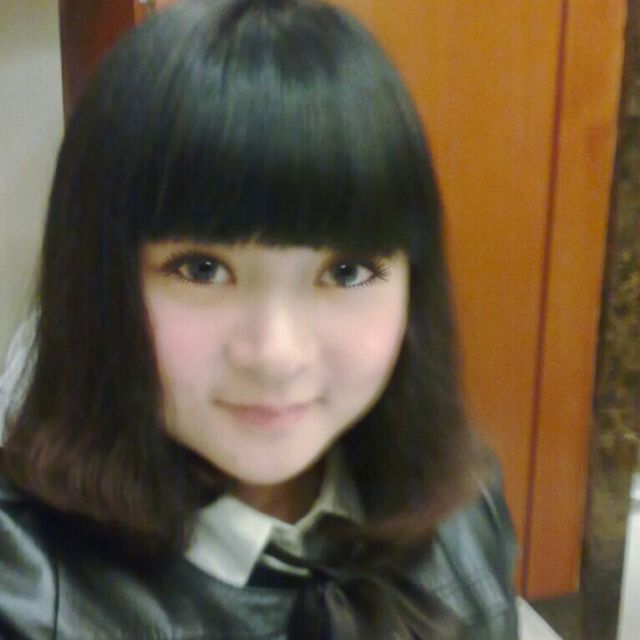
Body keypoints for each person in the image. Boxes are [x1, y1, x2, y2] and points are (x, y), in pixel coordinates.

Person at [0, 0, 518, 637]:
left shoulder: (463, 506)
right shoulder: (23, 590)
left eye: (346, 273)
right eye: (201, 270)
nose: (275, 354)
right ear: (97, 281)